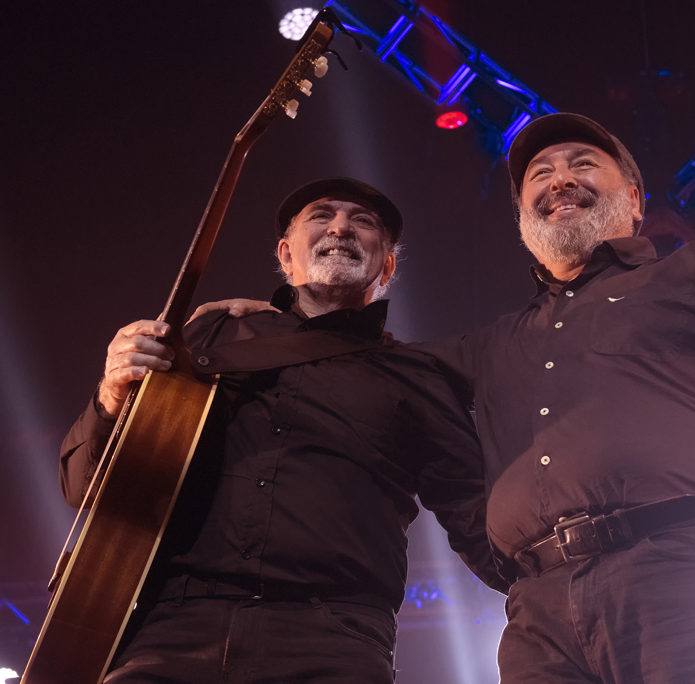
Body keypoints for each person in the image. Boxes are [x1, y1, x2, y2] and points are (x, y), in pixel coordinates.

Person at [205, 56, 695, 683]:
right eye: (540, 173)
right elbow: (362, 364)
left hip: (694, 574)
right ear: (522, 219)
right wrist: (278, 319)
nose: (559, 177)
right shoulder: (488, 347)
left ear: (633, 200)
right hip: (541, 614)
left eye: (583, 164)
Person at [59, 178, 505, 684]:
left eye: (362, 222)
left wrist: (562, 585)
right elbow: (83, 487)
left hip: (333, 638)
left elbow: (476, 518)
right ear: (286, 255)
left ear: (388, 267)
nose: (340, 226)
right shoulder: (211, 337)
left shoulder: (417, 377)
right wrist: (112, 398)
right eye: (321, 216)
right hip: (170, 629)